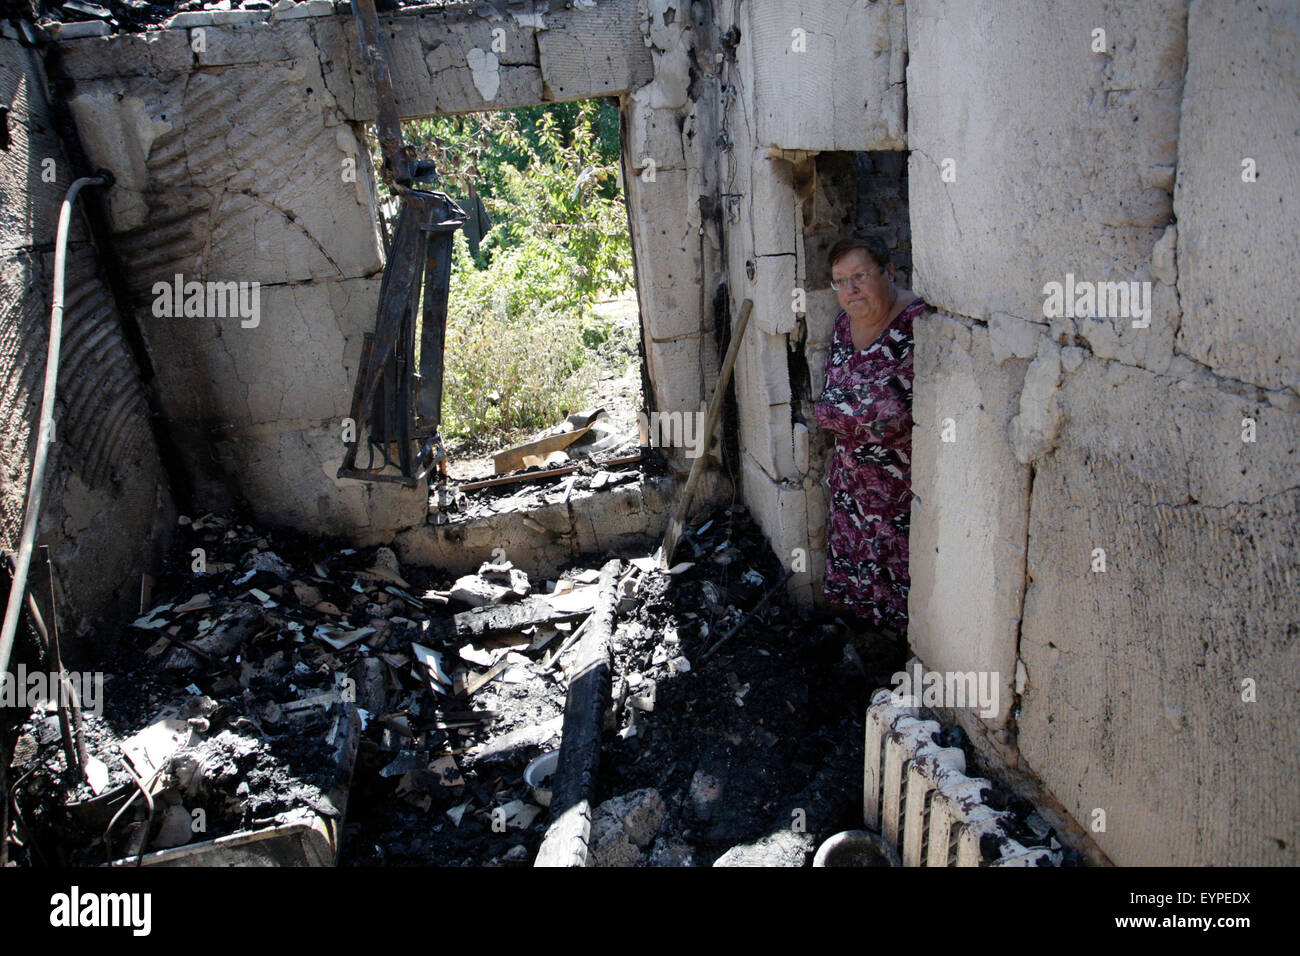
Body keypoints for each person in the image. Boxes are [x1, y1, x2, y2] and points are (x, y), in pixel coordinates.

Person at [813, 235, 926, 638]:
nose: (850, 289)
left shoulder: (918, 323)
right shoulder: (844, 326)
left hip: (900, 505)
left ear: (889, 272)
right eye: (840, 281)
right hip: (850, 497)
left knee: (905, 614)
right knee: (860, 617)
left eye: (860, 276)